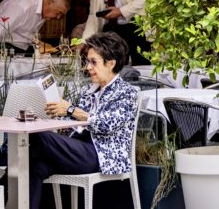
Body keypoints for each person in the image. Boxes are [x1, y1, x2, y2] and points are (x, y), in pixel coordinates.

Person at [32, 32, 139, 209]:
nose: (88, 67)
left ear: (111, 63)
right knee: (34, 166)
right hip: (79, 148)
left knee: (38, 137)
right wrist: (61, 113)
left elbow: (106, 125)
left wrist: (72, 110)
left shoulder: (127, 93)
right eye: (87, 61)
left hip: (102, 154)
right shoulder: (90, 90)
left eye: (93, 62)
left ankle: (3, 157)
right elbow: (77, 124)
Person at [0, 0, 70, 56]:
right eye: (59, 13)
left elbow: (24, 33)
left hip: (16, 47)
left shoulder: (43, 9)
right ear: (49, 2)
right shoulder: (24, 5)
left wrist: (43, 45)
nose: (58, 18)